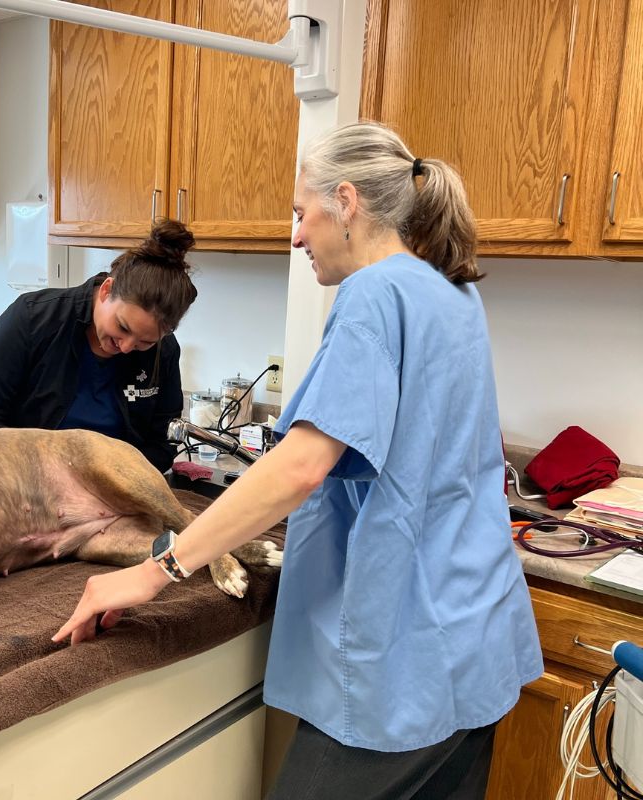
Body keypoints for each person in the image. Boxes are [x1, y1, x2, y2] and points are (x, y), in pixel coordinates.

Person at [52, 122, 543, 799]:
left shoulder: (375, 295)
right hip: (474, 636)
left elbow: (300, 467)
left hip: (400, 660)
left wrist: (155, 571)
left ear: (346, 201)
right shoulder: (454, 294)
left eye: (300, 213)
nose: (297, 236)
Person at [0, 219, 198, 473]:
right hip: (23, 481)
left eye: (145, 342)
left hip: (112, 489)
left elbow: (164, 441)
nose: (126, 347)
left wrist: (116, 474)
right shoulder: (32, 319)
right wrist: (41, 463)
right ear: (107, 290)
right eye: (123, 327)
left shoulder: (164, 350)